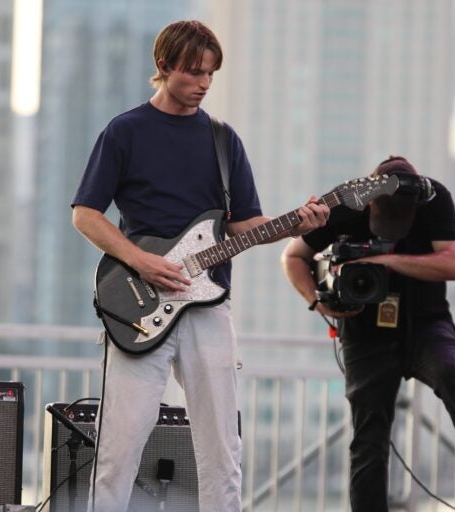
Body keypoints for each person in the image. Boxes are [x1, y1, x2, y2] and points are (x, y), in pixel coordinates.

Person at [71, 20, 329, 512]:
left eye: (211, 74)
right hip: (139, 307)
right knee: (118, 449)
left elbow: (246, 224)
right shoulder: (125, 131)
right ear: (163, 67)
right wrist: (140, 260)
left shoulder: (223, 140)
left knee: (222, 452)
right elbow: (85, 215)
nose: (204, 84)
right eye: (193, 73)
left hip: (209, 307)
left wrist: (301, 223)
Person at [281, 156, 455, 512]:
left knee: (452, 376)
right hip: (364, 331)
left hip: (425, 322)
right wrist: (321, 306)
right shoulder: (342, 204)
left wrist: (383, 262)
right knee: (369, 437)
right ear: (368, 203)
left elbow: (454, 264)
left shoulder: (435, 198)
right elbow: (292, 257)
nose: (388, 231)